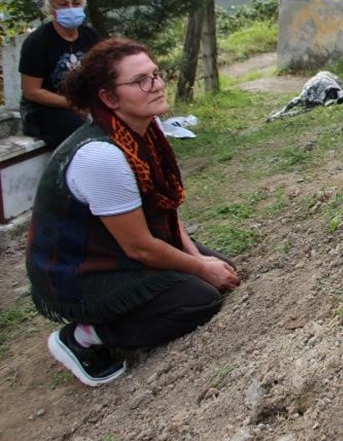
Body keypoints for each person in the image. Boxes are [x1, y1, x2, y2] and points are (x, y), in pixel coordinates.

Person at [26, 38, 240, 387]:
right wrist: (200, 266)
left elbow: (165, 208)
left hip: (123, 244)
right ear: (109, 98)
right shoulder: (101, 155)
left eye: (156, 74)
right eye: (141, 81)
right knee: (198, 300)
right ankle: (84, 336)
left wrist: (194, 256)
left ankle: (161, 291)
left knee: (222, 270)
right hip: (80, 271)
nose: (156, 85)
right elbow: (139, 247)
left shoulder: (146, 129)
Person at [18, 0, 101, 148]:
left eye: (76, 3)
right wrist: (74, 104)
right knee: (84, 133)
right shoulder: (37, 42)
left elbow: (104, 71)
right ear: (51, 8)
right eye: (63, 4)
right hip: (46, 109)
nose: (71, 8)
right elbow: (32, 91)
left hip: (84, 103)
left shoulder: (90, 36)